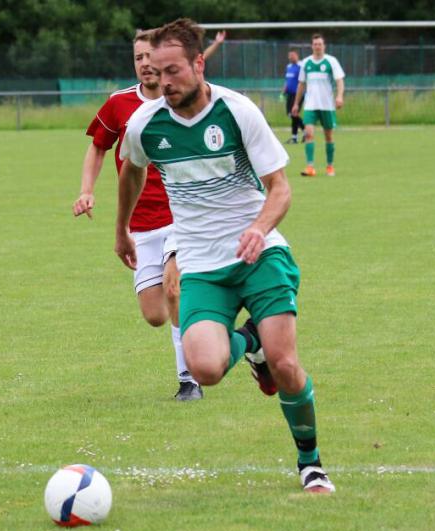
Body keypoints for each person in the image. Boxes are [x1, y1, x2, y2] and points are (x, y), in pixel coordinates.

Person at [116, 18, 335, 493]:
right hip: (199, 264)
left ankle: (310, 462)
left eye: (172, 70)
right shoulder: (144, 124)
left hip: (258, 254)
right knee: (206, 368)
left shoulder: (237, 111)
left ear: (198, 63)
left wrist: (259, 227)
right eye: (155, 71)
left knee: (286, 364)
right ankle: (248, 344)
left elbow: (280, 187)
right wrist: (123, 231)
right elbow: (130, 172)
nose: (162, 81)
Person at [74, 29, 201, 402]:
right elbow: (98, 147)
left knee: (175, 289)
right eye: (138, 58)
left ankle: (189, 380)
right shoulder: (120, 104)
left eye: (150, 56)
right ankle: (207, 320)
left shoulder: (183, 100)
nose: (145, 64)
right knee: (155, 315)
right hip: (139, 224)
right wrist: (87, 190)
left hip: (181, 217)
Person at [292, 34, 345, 177]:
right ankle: (310, 167)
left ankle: (329, 166)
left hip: (327, 105)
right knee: (308, 134)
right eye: (315, 44)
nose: (317, 46)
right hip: (310, 105)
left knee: (328, 136)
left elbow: (339, 80)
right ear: (312, 46)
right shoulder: (306, 63)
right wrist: (296, 104)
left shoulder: (331, 61)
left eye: (320, 44)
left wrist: (339, 96)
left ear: (324, 46)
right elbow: (301, 84)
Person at [283, 50, 305, 144]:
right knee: (291, 114)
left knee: (294, 114)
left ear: (297, 55)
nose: (291, 57)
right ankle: (296, 137)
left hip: (298, 95)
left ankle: (301, 134)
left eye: (292, 55)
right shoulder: (288, 67)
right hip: (289, 94)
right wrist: (283, 90)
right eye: (289, 56)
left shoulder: (301, 66)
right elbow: (287, 80)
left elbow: (303, 81)